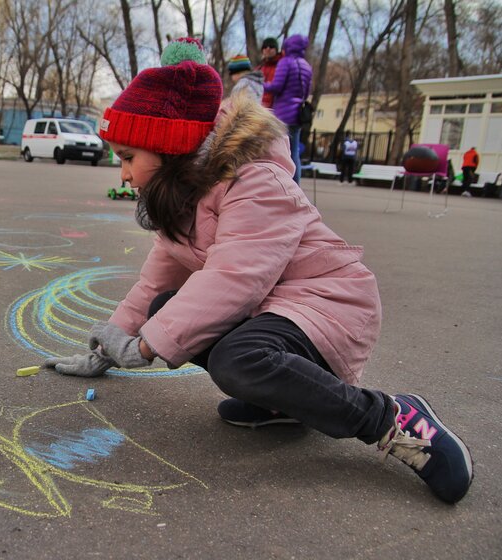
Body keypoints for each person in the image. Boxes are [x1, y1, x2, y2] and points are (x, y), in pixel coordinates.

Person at [44, 50, 473, 505]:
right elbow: (154, 282)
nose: (124, 174)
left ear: (168, 144)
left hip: (328, 303)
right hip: (277, 306)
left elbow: (233, 280)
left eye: (129, 157)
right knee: (163, 308)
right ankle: (282, 406)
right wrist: (110, 345)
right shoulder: (183, 195)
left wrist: (148, 346)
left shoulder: (255, 182)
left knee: (236, 357)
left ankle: (391, 419)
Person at [263, 34, 313, 185]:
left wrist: (263, 84)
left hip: (283, 112)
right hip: (298, 113)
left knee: (279, 149)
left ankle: (280, 183)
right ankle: (295, 184)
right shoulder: (306, 65)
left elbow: (277, 87)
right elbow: (306, 92)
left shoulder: (285, 62)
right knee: (295, 151)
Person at [257, 37, 282, 109]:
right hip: (260, 107)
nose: (268, 48)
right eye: (265, 47)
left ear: (276, 50)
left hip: (276, 109)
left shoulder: (282, 66)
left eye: (271, 46)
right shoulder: (259, 68)